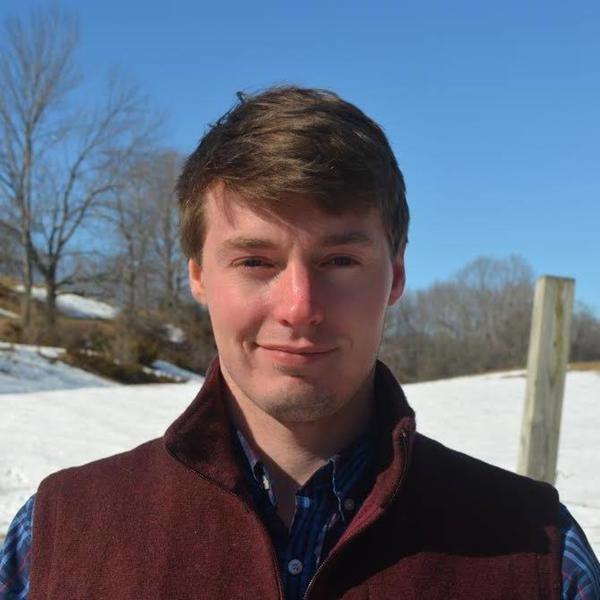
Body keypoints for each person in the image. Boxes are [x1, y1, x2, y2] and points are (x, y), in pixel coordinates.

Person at [1, 86, 599, 600]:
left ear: (394, 277)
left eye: (339, 260)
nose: (300, 307)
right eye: (255, 261)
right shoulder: (55, 537)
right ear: (199, 278)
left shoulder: (541, 553)